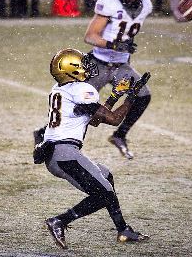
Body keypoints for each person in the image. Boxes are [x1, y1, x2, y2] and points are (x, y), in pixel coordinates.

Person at [34, 48, 150, 249]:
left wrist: (115, 95)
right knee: (104, 193)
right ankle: (59, 221)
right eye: (81, 64)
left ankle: (123, 230)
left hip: (58, 153)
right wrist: (131, 96)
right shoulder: (80, 90)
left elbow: (94, 119)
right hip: (65, 153)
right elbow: (113, 120)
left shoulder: (60, 89)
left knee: (106, 177)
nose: (87, 67)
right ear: (71, 70)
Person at [83, 0, 153, 159]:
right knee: (80, 105)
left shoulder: (146, 5)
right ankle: (47, 133)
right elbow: (90, 36)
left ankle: (120, 135)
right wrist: (114, 44)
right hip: (98, 63)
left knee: (143, 95)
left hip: (121, 66)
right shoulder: (109, 4)